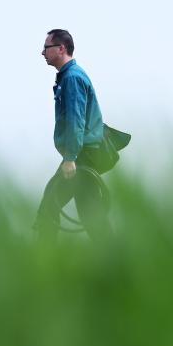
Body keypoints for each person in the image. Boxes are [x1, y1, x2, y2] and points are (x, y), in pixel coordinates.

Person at [35, 28, 112, 243]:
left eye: (46, 47)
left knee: (49, 207)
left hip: (81, 154)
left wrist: (70, 158)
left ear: (61, 49)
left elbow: (76, 121)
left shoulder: (72, 78)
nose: (42, 52)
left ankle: (44, 258)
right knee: (90, 213)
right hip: (80, 153)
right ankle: (113, 256)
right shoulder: (69, 76)